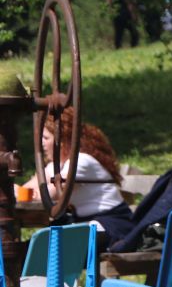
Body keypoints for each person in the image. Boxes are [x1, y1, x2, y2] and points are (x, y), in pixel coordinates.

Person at [23, 108, 135, 251]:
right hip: (88, 225)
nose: (42, 144)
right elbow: (26, 191)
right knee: (35, 247)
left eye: (46, 138)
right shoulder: (58, 166)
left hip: (113, 227)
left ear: (62, 139)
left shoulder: (81, 161)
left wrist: (25, 192)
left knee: (42, 248)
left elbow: (47, 195)